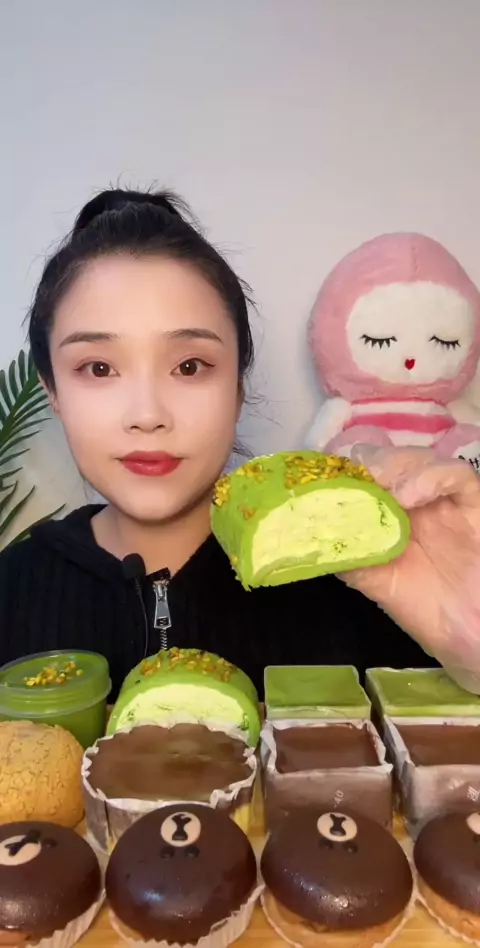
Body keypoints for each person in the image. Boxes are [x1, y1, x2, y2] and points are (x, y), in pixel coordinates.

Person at [1, 188, 479, 700]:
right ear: (53, 391)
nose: (147, 415)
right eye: (98, 368)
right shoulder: (11, 588)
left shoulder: (369, 580)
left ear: (237, 388)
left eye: (190, 366)